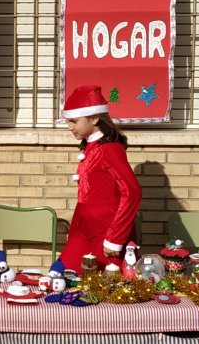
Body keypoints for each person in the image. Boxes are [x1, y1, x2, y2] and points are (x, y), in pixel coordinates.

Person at [58, 85, 142, 274]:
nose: (70, 127)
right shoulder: (92, 146)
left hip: (105, 230)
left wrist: (115, 238)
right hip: (84, 227)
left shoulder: (109, 149)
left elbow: (132, 192)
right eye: (68, 122)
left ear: (95, 118)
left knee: (103, 284)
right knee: (63, 276)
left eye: (74, 121)